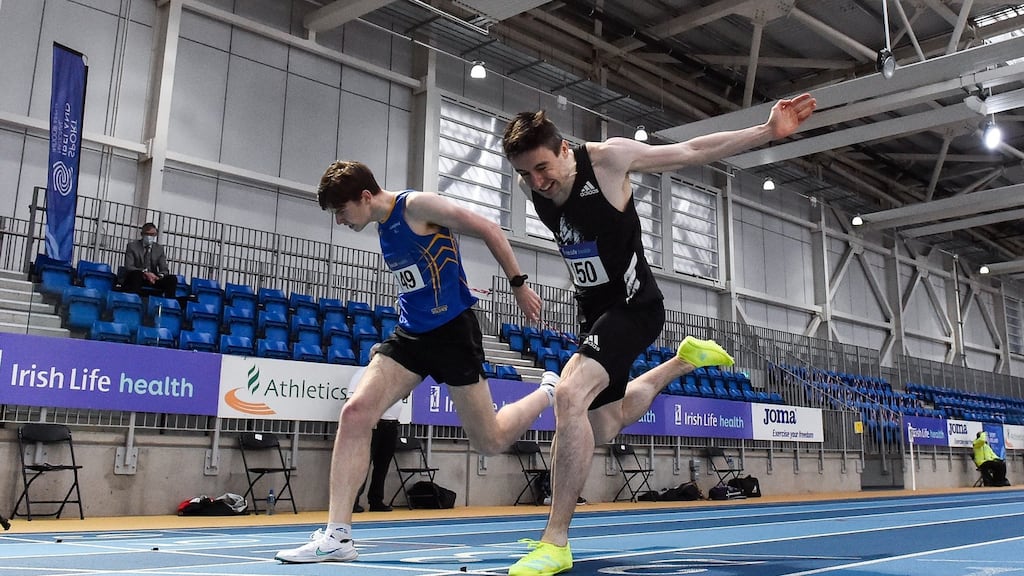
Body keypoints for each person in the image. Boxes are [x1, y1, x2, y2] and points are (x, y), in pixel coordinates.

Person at [501, 93, 817, 575]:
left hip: (635, 308)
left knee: (567, 396)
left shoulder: (607, 160)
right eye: (525, 174)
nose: (536, 183)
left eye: (542, 168)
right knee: (604, 422)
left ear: (563, 148)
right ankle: (682, 360)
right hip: (595, 315)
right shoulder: (534, 189)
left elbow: (691, 151)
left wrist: (764, 131)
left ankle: (556, 540)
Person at [275, 160, 558, 563]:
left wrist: (518, 284)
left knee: (490, 440)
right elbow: (418, 282)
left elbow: (488, 228)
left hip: (454, 334)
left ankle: (547, 391)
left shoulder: (417, 207)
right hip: (412, 336)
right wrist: (390, 347)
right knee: (356, 413)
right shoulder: (382, 229)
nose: (339, 221)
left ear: (366, 197)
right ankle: (338, 535)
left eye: (341, 212)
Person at [350, 344, 401, 513]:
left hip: (391, 424)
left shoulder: (392, 377)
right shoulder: (363, 374)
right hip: (373, 425)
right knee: (364, 463)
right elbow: (352, 399)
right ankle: (353, 500)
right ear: (372, 357)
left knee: (382, 465)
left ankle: (376, 500)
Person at [121, 222, 177, 298]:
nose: (149, 237)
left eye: (152, 234)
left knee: (172, 279)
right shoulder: (132, 246)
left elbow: (164, 269)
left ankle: (169, 304)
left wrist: (159, 276)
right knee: (136, 275)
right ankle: (133, 301)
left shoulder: (159, 249)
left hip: (153, 279)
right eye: (147, 234)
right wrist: (145, 273)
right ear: (142, 234)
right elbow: (129, 266)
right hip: (138, 277)